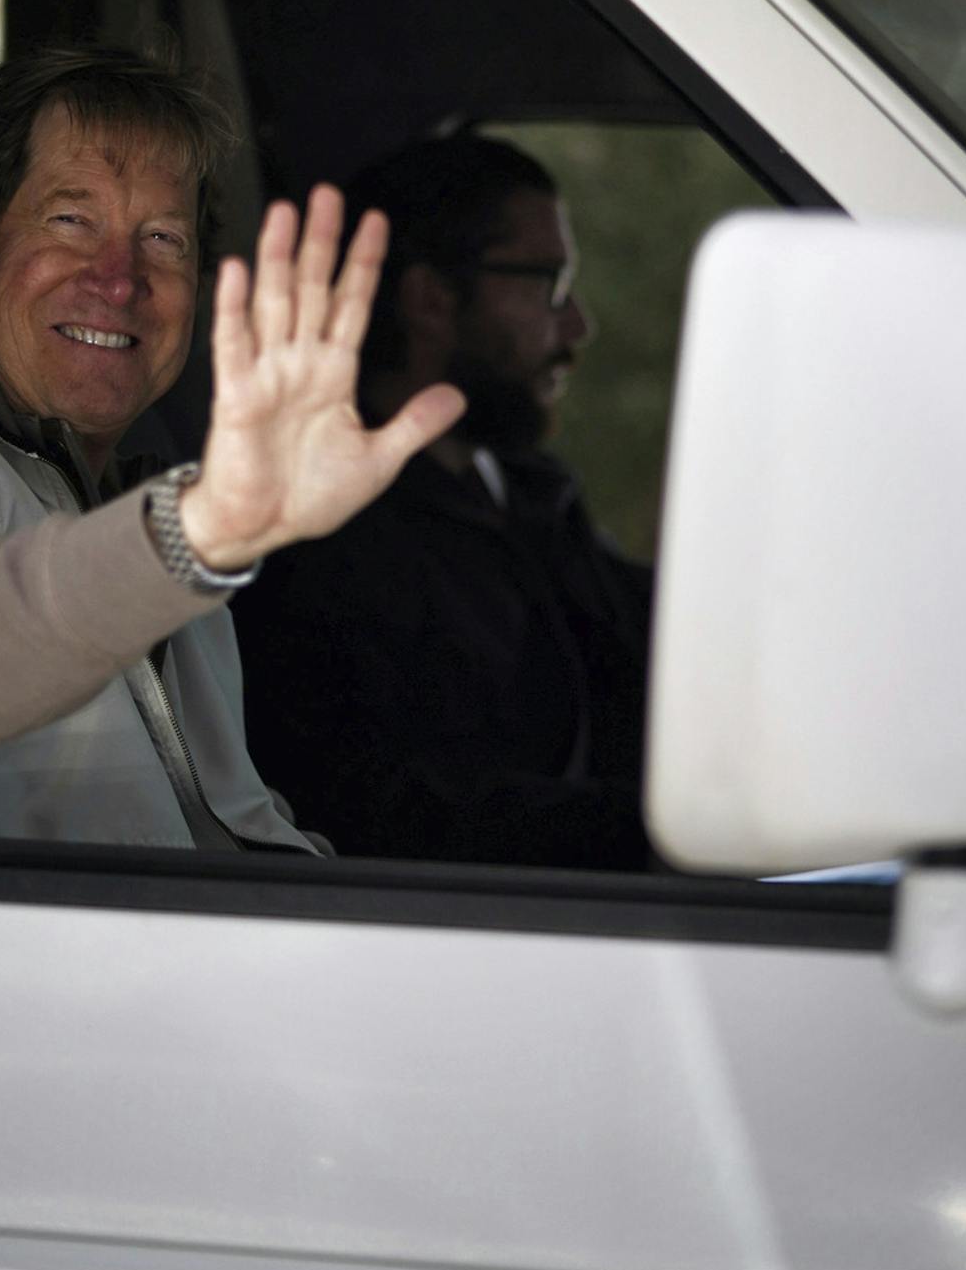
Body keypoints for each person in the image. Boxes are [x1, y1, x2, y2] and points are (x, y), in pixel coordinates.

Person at [0, 42, 463, 847]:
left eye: (162, 240)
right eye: (71, 220)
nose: (119, 279)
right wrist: (195, 536)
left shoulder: (128, 478)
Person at [231, 134, 654, 869]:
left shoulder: (528, 492)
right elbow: (393, 816)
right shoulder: (327, 542)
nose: (576, 325)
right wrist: (652, 832)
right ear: (431, 298)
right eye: (546, 284)